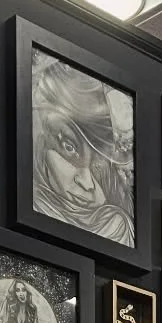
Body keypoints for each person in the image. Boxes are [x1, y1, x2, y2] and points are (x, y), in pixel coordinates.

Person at [31, 60, 135, 244]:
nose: (88, 184)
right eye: (69, 147)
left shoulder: (115, 223)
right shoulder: (32, 201)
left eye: (98, 164)